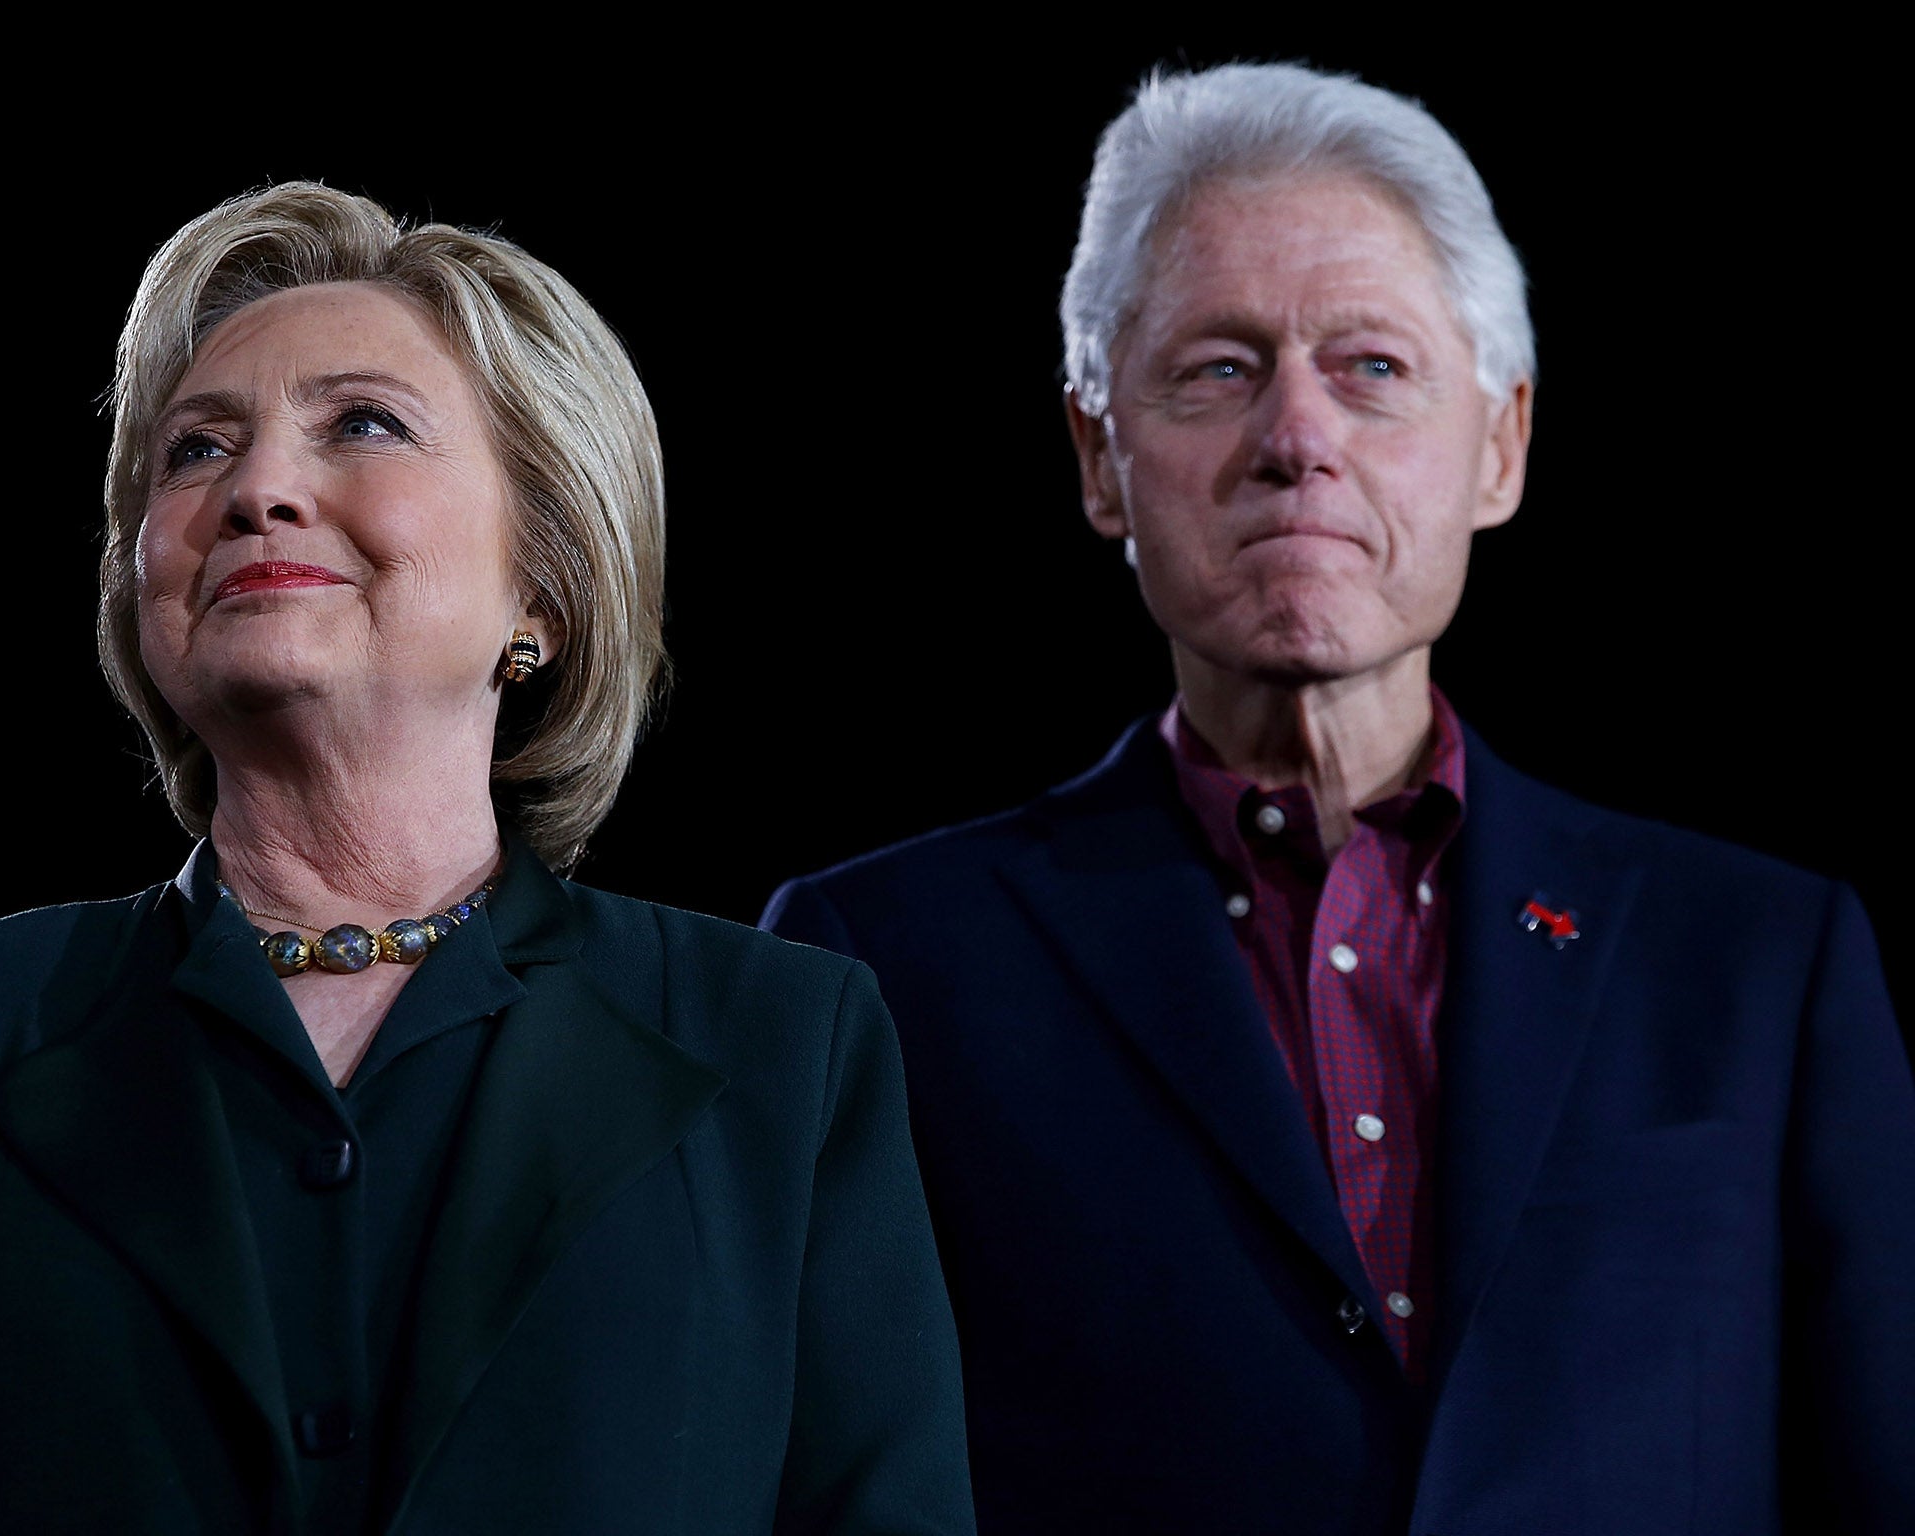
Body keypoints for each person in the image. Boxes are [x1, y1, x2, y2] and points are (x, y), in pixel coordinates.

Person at [761, 61, 1914, 1535]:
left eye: (1371, 368)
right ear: (1100, 458)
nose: (1298, 438)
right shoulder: (877, 963)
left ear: (1498, 446)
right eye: (1220, 369)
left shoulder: (1761, 964)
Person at [0, 182, 975, 1535]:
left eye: (364, 425)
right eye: (197, 451)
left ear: (546, 586)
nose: (259, 490)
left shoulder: (786, 1050)